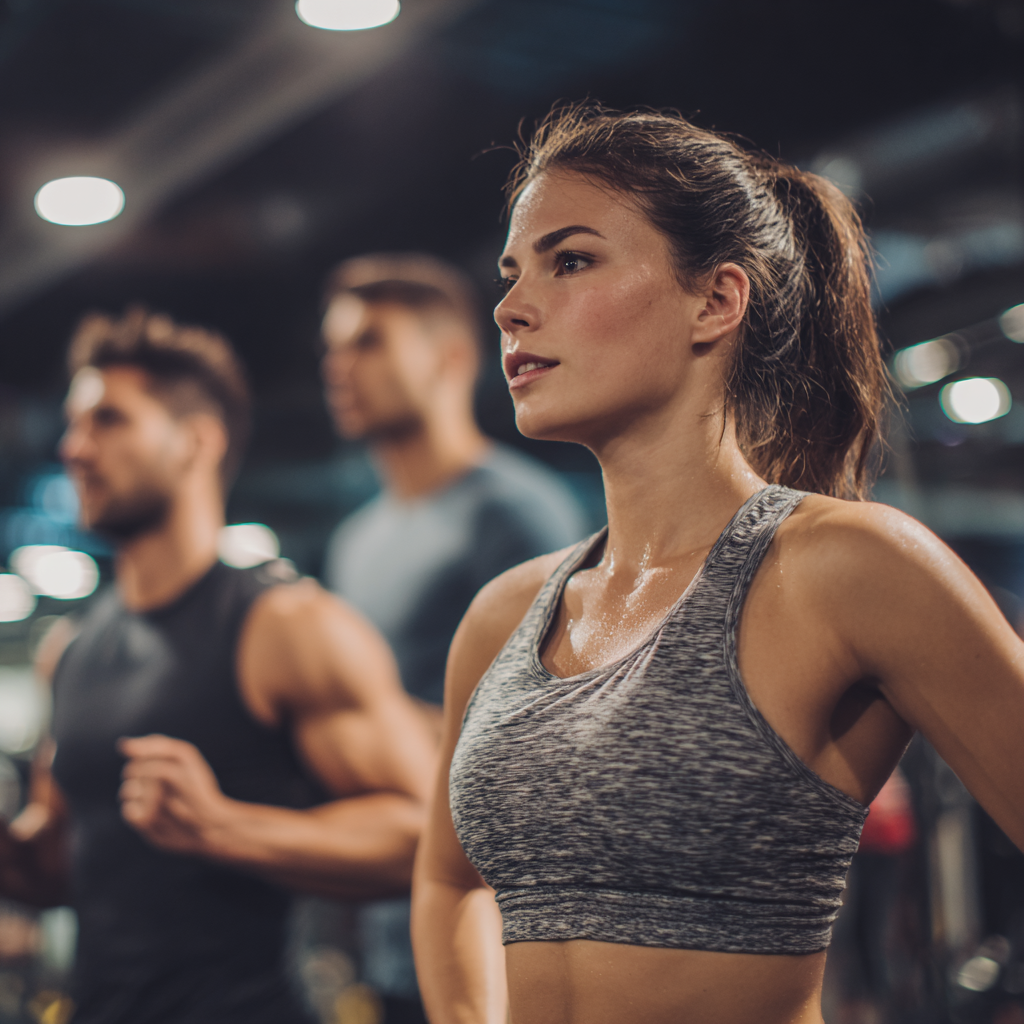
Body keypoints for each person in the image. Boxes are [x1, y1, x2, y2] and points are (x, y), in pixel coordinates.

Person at [411, 103, 1024, 1024]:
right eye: (512, 272)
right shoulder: (504, 618)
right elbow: (444, 879)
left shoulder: (843, 566)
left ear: (716, 300)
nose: (509, 306)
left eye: (569, 260)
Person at [0, 308, 437, 1024]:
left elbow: (422, 837)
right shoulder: (70, 650)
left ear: (196, 442)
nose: (74, 448)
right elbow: (55, 871)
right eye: (74, 424)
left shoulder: (285, 626)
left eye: (109, 421)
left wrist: (224, 827)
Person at [320, 254, 586, 1021]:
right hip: (395, 925)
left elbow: (548, 739)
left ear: (450, 357)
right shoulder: (355, 541)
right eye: (332, 349)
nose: (340, 366)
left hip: (502, 934)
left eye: (368, 342)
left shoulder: (516, 514)